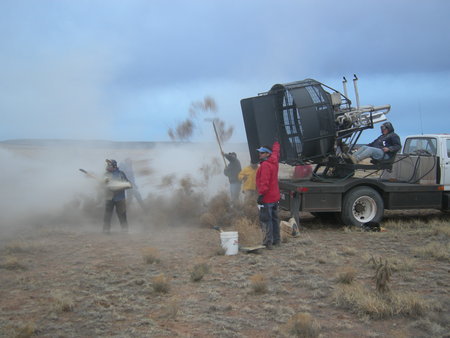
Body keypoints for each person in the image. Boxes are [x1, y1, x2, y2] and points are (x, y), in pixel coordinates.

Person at [256, 141, 280, 250]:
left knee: (266, 220)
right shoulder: (274, 161)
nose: (259, 154)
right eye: (260, 153)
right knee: (275, 219)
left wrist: (261, 194)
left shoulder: (265, 165)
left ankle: (267, 242)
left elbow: (264, 181)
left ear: (267, 154)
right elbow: (276, 151)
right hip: (275, 197)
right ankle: (276, 240)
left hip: (267, 197)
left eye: (262, 153)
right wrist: (276, 142)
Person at [103, 159, 131, 234]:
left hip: (120, 198)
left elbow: (129, 184)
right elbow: (103, 184)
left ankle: (125, 230)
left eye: (109, 165)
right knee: (107, 214)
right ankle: (106, 230)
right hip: (109, 197)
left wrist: (119, 187)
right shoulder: (106, 174)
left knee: (122, 214)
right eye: (107, 165)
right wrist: (105, 184)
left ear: (114, 166)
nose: (107, 166)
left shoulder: (121, 174)